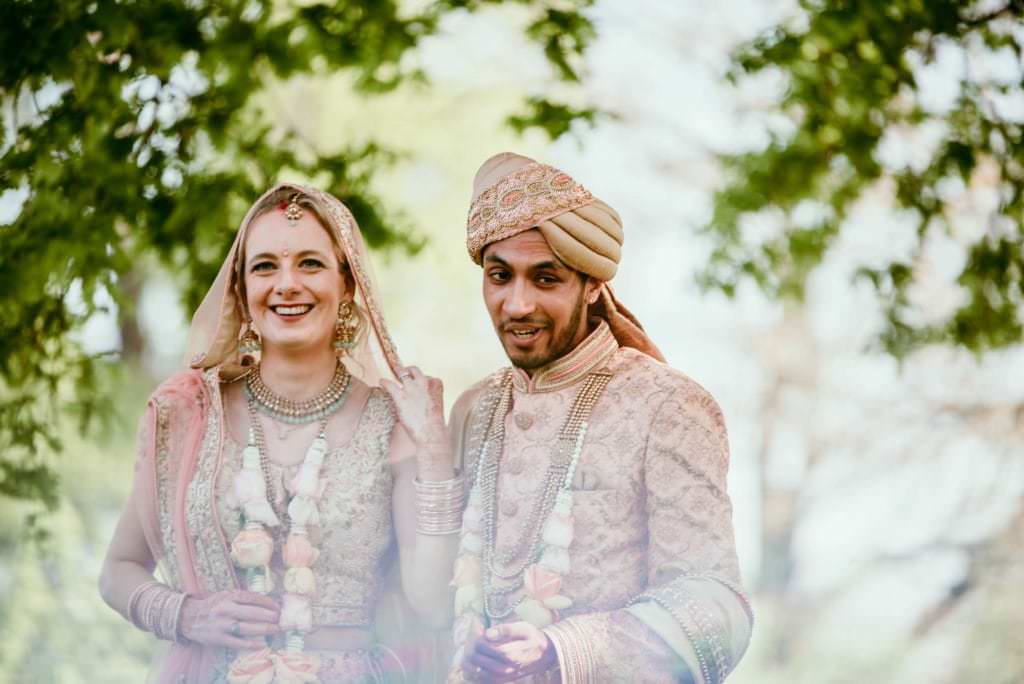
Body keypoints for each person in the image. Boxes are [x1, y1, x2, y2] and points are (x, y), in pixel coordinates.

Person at [99, 184, 461, 683]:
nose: (287, 284)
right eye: (265, 266)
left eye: (310, 263)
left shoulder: (393, 420)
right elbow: (118, 569)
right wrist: (188, 615)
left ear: (347, 285)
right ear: (242, 293)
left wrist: (435, 453)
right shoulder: (189, 413)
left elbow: (433, 600)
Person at [447, 154, 754, 683]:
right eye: (500, 277)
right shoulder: (475, 410)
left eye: (545, 279)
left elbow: (716, 609)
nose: (516, 304)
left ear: (592, 285)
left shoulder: (666, 405)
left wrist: (563, 649)